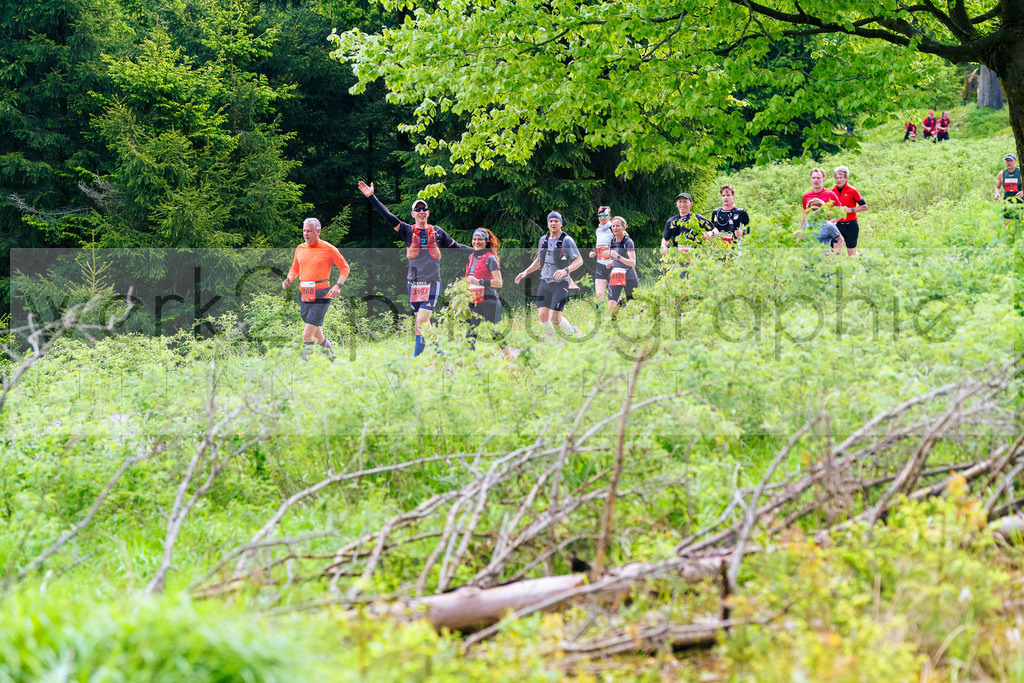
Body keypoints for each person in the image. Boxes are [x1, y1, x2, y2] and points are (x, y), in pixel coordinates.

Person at [357, 181, 469, 357]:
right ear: (413, 214)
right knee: (424, 323)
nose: (422, 212)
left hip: (432, 282)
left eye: (425, 209)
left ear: (428, 213)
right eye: (418, 209)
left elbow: (457, 247)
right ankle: (439, 353)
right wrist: (372, 197)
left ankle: (415, 362)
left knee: (420, 322)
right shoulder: (407, 230)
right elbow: (387, 216)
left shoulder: (438, 232)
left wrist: (479, 251)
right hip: (414, 284)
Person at [282, 218, 350, 361]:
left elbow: (345, 268)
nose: (306, 234)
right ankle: (333, 361)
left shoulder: (328, 248)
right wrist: (289, 279)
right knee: (318, 336)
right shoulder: (300, 248)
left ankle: (308, 371)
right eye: (304, 231)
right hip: (304, 293)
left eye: (309, 231)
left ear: (318, 231)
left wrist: (338, 285)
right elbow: (295, 269)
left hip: (322, 294)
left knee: (307, 335)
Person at [514, 212, 584, 340]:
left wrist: (565, 270)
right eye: (551, 221)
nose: (553, 223)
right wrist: (526, 272)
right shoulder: (543, 240)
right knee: (542, 315)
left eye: (556, 221)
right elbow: (539, 260)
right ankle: (550, 341)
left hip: (560, 283)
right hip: (544, 282)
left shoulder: (567, 240)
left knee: (554, 318)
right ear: (547, 224)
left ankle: (572, 332)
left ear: (561, 223)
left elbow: (579, 260)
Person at [464, 228, 507, 354]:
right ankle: (470, 365)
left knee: (496, 333)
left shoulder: (490, 258)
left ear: (486, 242)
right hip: (473, 300)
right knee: (470, 333)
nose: (476, 242)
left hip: (489, 300)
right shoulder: (471, 256)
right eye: (474, 239)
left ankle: (509, 360)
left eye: (480, 240)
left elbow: (499, 283)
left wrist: (479, 281)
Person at [801, 168, 842, 252]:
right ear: (810, 180)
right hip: (811, 228)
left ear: (823, 180)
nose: (816, 180)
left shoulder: (830, 194)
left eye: (818, 178)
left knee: (827, 255)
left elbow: (840, 213)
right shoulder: (806, 196)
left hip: (827, 231)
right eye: (814, 178)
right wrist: (801, 229)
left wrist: (830, 223)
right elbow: (804, 214)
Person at [831, 166, 867, 257]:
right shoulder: (832, 191)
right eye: (836, 178)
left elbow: (864, 207)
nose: (838, 180)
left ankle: (858, 256)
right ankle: (836, 271)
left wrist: (850, 210)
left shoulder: (853, 191)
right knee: (835, 254)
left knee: (852, 255)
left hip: (851, 225)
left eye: (840, 178)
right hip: (838, 225)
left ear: (846, 178)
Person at [605, 216, 638, 312]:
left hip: (629, 276)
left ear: (623, 227)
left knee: (634, 307)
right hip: (616, 275)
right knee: (611, 305)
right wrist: (611, 263)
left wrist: (617, 256)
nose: (615, 228)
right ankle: (614, 324)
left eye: (617, 226)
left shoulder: (628, 242)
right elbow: (616, 259)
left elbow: (632, 263)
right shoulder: (612, 241)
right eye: (613, 226)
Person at [588, 206, 614, 306]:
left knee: (613, 295)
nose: (602, 218)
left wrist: (611, 252)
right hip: (600, 264)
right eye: (600, 216)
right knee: (599, 294)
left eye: (605, 216)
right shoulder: (598, 229)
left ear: (609, 216)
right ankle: (600, 319)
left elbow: (620, 244)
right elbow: (598, 244)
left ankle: (621, 312)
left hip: (612, 264)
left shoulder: (613, 228)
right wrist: (594, 252)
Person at [996, 152, 1023, 222]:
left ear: (1015, 162)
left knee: (1019, 223)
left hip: (1020, 201)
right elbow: (997, 187)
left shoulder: (1021, 172)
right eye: (1007, 161)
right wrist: (997, 193)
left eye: (1011, 160)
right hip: (1007, 201)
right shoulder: (1002, 173)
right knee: (1007, 223)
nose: (1009, 163)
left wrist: (1023, 192)